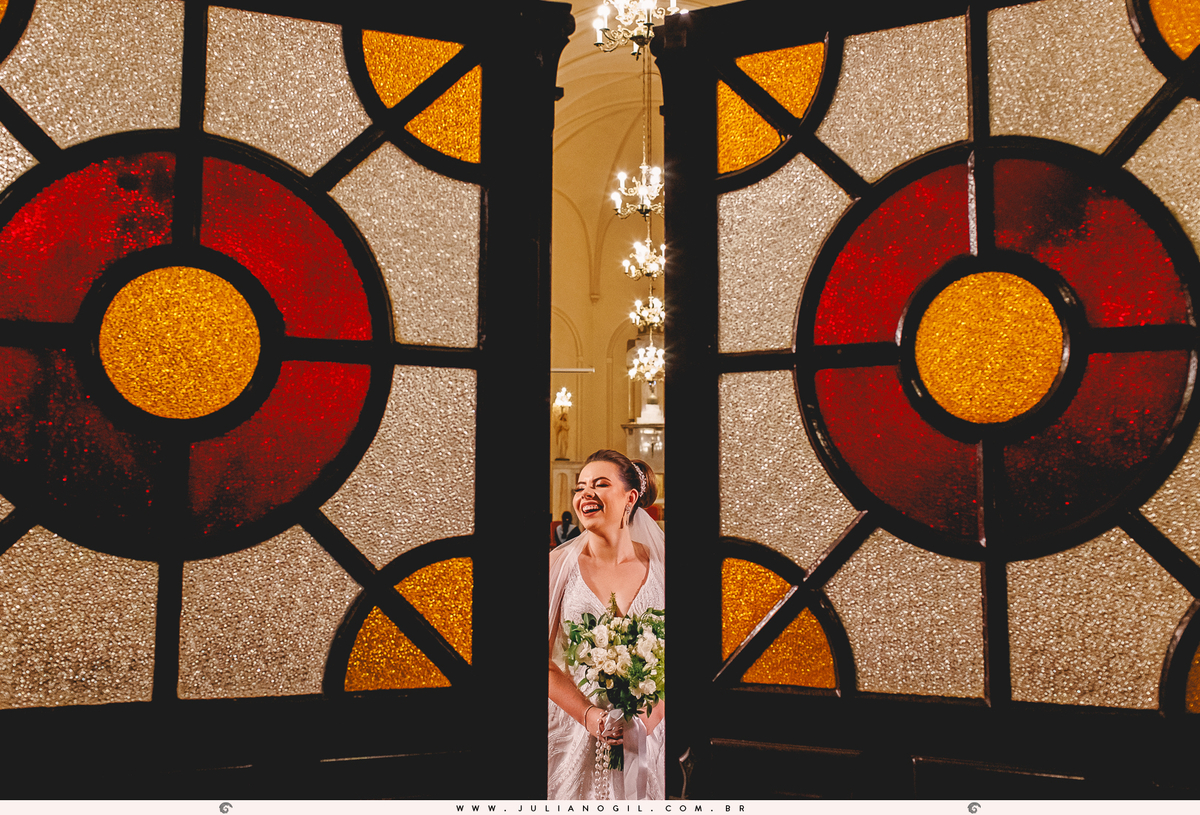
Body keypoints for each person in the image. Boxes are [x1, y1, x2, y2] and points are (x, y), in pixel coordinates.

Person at [548, 450, 664, 800]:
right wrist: (590, 716)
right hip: (576, 725)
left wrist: (648, 721)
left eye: (600, 484)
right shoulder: (557, 566)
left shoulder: (663, 567)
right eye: (581, 486)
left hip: (649, 727)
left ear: (631, 497)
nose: (586, 494)